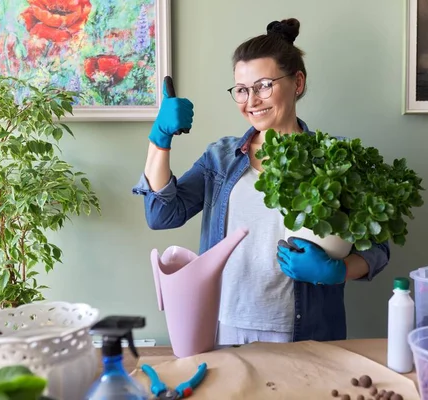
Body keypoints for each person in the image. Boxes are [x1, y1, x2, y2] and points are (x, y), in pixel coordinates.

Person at [132, 18, 390, 345]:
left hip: (306, 334)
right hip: (222, 327)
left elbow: (378, 249)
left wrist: (337, 272)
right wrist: (160, 139)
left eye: (264, 85)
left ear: (297, 82)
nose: (251, 100)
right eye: (241, 90)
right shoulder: (221, 158)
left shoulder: (335, 159)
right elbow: (161, 215)